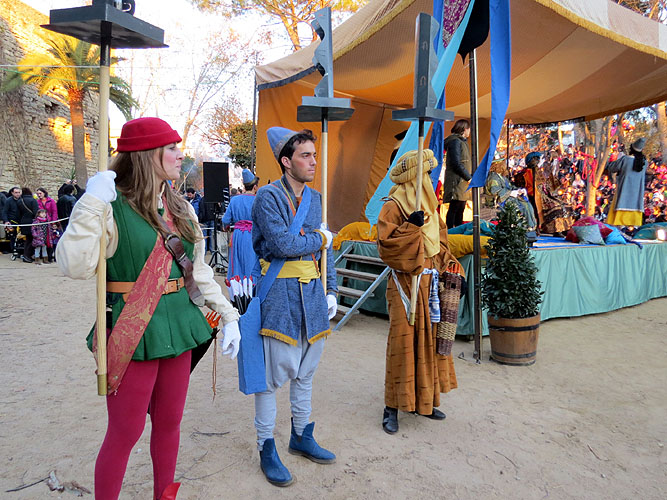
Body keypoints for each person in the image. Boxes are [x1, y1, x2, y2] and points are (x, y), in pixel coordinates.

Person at [56, 117, 241, 500]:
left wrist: (228, 314)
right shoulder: (110, 206)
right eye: (171, 148)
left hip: (180, 325)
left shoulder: (181, 208)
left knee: (170, 424)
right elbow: (73, 265)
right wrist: (91, 203)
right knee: (125, 432)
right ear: (145, 155)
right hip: (132, 329)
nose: (179, 154)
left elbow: (198, 271)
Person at [250, 127, 338, 487]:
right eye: (305, 155)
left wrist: (331, 289)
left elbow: (325, 252)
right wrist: (319, 238)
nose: (314, 161)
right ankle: (266, 446)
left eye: (315, 155)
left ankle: (301, 434)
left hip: (312, 296)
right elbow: (284, 245)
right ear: (286, 161)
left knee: (306, 372)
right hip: (279, 296)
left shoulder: (316, 199)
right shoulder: (267, 197)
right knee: (271, 378)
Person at [377, 148, 460, 435]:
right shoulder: (393, 207)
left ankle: (424, 401)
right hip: (404, 285)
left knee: (429, 344)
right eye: (425, 174)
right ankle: (392, 406)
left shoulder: (432, 208)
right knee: (402, 345)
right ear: (414, 177)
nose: (429, 179)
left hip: (430, 285)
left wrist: (450, 267)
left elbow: (441, 244)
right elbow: (387, 248)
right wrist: (410, 229)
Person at [518, 152, 571, 236]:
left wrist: (560, 182)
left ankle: (563, 228)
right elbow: (525, 187)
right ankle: (554, 229)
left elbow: (548, 185)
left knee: (564, 204)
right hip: (535, 197)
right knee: (555, 206)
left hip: (545, 195)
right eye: (536, 159)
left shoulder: (539, 171)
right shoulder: (525, 173)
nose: (538, 161)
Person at [222, 168, 260, 280]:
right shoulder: (259, 200)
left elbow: (225, 220)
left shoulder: (234, 200)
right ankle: (252, 285)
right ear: (255, 187)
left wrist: (226, 227)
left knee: (237, 262)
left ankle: (237, 286)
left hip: (238, 235)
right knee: (253, 263)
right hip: (254, 235)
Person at [606, 138, 647, 228]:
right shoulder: (645, 162)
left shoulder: (625, 159)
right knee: (633, 227)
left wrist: (612, 158)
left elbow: (612, 168)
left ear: (632, 149)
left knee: (620, 226)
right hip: (636, 200)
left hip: (623, 195)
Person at [485, 161, 537, 231]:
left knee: (526, 203)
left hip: (506, 198)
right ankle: (521, 226)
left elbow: (510, 187)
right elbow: (494, 191)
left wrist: (519, 190)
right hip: (499, 200)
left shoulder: (503, 177)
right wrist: (510, 193)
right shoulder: (493, 177)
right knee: (519, 205)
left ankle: (530, 225)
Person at [442, 119, 472, 228]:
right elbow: (456, 163)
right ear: (465, 129)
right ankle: (450, 232)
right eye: (469, 129)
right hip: (457, 181)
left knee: (460, 208)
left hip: (462, 181)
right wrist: (468, 177)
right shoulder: (455, 142)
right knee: (455, 208)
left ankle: (457, 231)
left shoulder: (461, 142)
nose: (470, 131)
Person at [16, 187, 39, 263]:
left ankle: (26, 255)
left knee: (28, 239)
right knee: (32, 239)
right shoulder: (33, 200)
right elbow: (36, 212)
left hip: (23, 222)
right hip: (32, 222)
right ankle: (27, 255)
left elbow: (18, 214)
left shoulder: (20, 201)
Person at [36, 188, 58, 261]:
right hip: (41, 222)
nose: (39, 195)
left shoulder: (51, 201)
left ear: (44, 193)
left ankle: (50, 256)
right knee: (42, 239)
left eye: (40, 193)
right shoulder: (37, 202)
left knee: (50, 239)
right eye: (38, 194)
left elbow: (54, 212)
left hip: (50, 221)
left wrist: (53, 222)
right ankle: (43, 256)